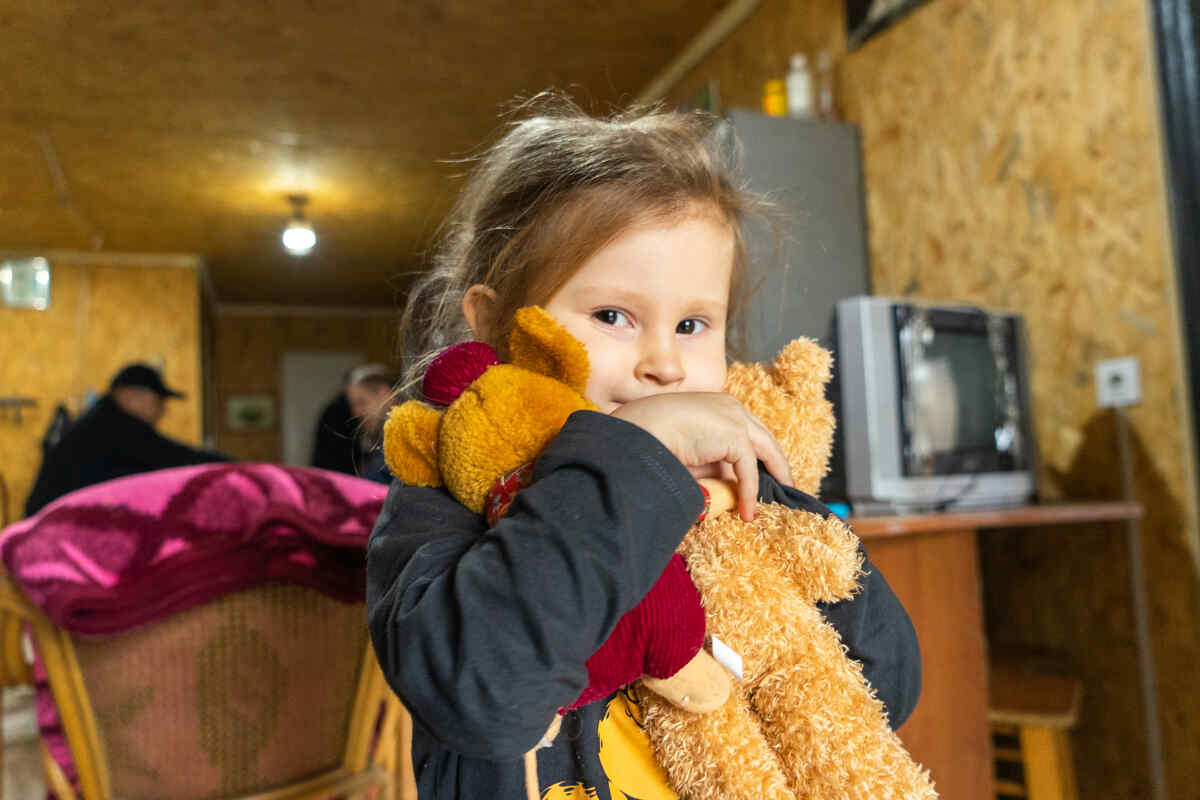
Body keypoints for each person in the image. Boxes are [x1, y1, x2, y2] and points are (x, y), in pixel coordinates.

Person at [366, 97, 921, 798]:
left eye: (692, 324)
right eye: (612, 316)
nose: (663, 363)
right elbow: (482, 697)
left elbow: (884, 687)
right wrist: (633, 454)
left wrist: (781, 522)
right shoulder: (444, 497)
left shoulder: (740, 487)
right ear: (495, 323)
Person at [24, 363, 231, 517]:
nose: (163, 410)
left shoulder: (103, 420)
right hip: (53, 530)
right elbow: (175, 457)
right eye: (158, 401)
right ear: (129, 396)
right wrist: (233, 466)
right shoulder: (115, 425)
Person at [345, 363, 400, 484]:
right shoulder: (373, 441)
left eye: (362, 402)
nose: (356, 413)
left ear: (385, 394)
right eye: (353, 405)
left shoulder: (402, 438)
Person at [309, 372, 358, 475]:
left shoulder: (331, 408)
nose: (358, 410)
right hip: (339, 464)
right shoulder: (339, 409)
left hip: (328, 464)